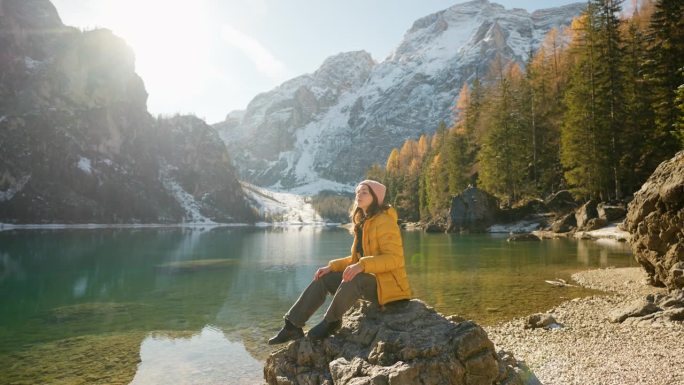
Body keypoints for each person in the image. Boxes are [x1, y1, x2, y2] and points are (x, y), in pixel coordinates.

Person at [268, 180, 411, 345]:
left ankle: (332, 322)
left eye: (365, 192)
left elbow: (394, 259)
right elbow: (354, 260)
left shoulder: (385, 221)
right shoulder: (364, 223)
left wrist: (362, 265)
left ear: (376, 197)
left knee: (355, 278)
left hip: (390, 287)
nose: (359, 195)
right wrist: (332, 267)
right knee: (324, 278)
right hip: (372, 282)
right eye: (357, 192)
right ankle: (292, 325)